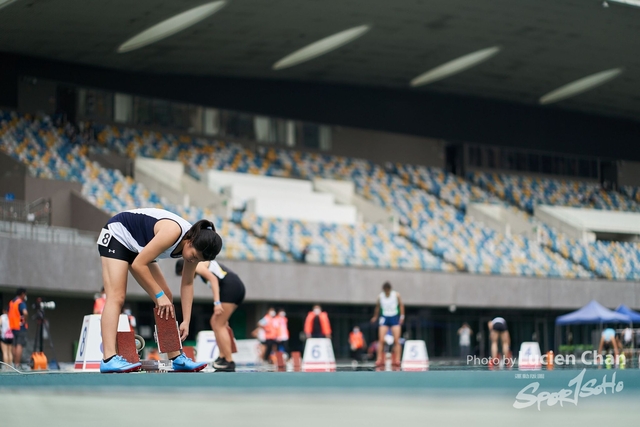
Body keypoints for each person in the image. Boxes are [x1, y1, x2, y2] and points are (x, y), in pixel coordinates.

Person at [97, 208, 222, 373]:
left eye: (199, 259)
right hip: (117, 234)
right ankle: (109, 358)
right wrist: (158, 295)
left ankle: (176, 357)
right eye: (194, 255)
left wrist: (186, 320)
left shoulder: (194, 248)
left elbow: (187, 284)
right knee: (117, 296)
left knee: (166, 297)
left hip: (137, 247)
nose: (193, 260)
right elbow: (138, 265)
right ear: (190, 240)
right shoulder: (173, 231)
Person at [176, 258, 246, 372]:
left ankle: (229, 360)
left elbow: (213, 279)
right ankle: (223, 357)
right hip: (235, 286)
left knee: (218, 324)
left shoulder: (197, 266)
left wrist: (217, 303)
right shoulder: (200, 266)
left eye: (182, 274)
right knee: (216, 322)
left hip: (231, 285)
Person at [371, 282, 404, 367]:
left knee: (396, 340)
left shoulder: (396, 295)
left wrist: (402, 316)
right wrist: (375, 316)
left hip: (394, 317)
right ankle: (379, 359)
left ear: (390, 289)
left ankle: (397, 359)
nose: (387, 292)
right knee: (381, 340)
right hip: (385, 317)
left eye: (388, 290)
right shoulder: (380, 296)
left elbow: (401, 305)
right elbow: (377, 307)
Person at [9, 288, 28, 369]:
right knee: (19, 345)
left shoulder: (12, 302)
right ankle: (17, 364)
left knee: (14, 345)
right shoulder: (20, 302)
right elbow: (25, 313)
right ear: (22, 294)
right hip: (20, 327)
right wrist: (25, 320)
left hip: (12, 327)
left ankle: (14, 363)